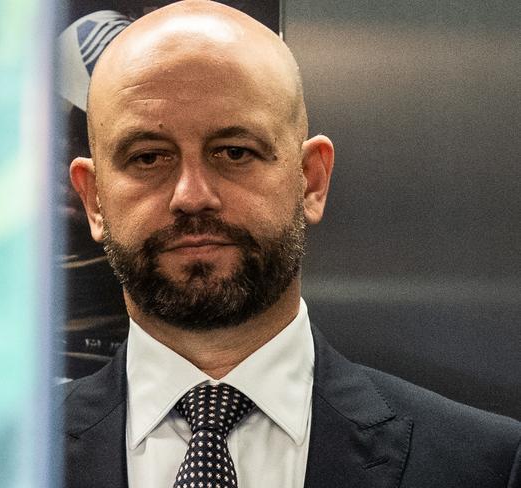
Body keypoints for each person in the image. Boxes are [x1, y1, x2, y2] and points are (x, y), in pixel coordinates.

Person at [60, 1, 521, 487]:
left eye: (235, 152)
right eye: (148, 157)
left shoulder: (484, 468)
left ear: (311, 180)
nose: (192, 196)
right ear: (93, 199)